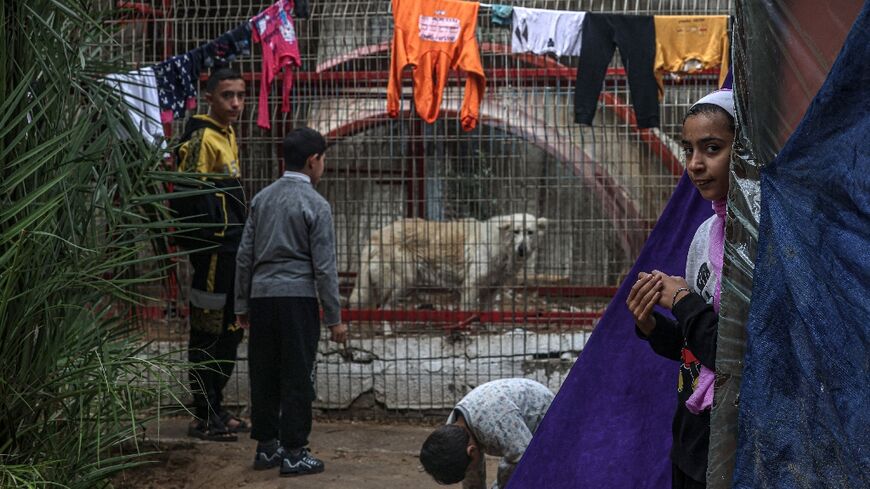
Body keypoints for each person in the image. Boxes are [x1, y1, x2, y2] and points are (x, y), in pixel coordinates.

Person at [626, 89, 735, 489]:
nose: (695, 164)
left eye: (712, 148)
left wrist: (684, 301)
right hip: (691, 439)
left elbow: (736, 358)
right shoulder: (706, 235)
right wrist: (653, 324)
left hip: (734, 443)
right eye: (688, 149)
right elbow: (695, 349)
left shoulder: (763, 246)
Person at [234, 127, 348, 477]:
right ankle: (295, 452)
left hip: (262, 299)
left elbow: (244, 256)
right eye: (324, 159)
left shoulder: (262, 199)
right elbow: (324, 268)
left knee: (264, 372)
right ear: (313, 161)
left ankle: (267, 447)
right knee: (298, 375)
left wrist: (241, 305)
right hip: (298, 301)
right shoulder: (316, 204)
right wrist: (334, 318)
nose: (323, 165)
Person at [173, 68, 249, 442]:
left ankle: (216, 406)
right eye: (227, 95)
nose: (235, 103)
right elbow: (189, 197)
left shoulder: (228, 133)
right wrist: (210, 240)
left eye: (240, 95)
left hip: (232, 250)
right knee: (207, 330)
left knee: (230, 330)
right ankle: (204, 414)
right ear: (209, 97)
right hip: (214, 253)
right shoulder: (203, 137)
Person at [419, 378, 555, 489]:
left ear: (471, 450)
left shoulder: (496, 423)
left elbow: (520, 458)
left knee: (536, 475)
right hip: (510, 419)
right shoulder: (453, 432)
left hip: (546, 415)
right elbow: (472, 476)